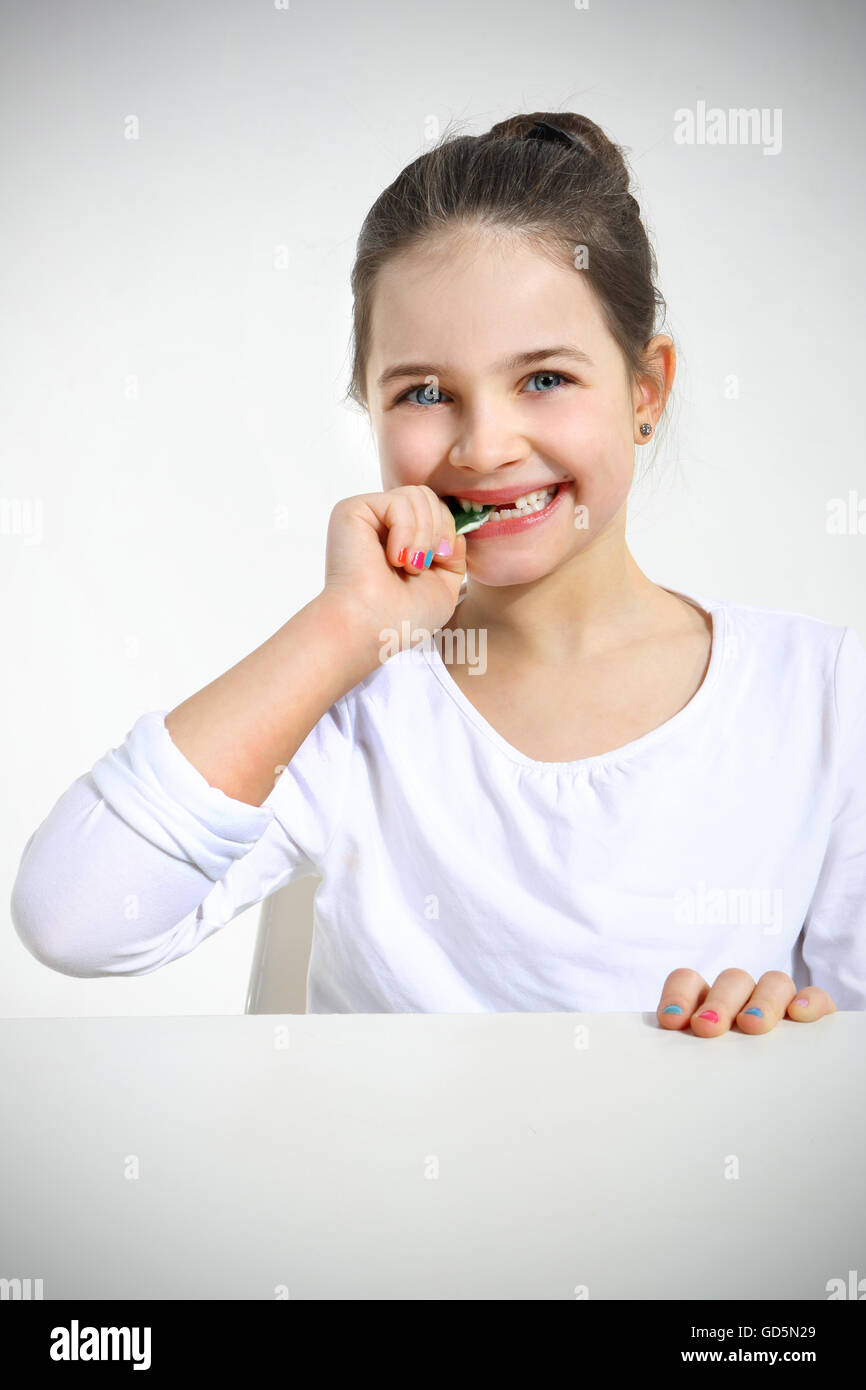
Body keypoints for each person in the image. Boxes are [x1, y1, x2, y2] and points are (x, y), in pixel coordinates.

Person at [11, 112, 865, 1031]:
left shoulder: (824, 698)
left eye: (544, 378)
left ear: (645, 391)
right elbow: (74, 921)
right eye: (425, 393)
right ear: (371, 414)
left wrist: (788, 1040)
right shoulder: (349, 708)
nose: (487, 446)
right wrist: (343, 627)